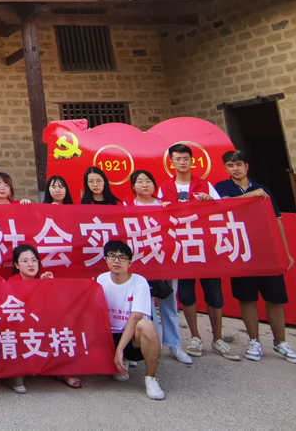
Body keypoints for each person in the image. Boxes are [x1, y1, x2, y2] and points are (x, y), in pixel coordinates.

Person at [215, 150, 296, 364]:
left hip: (266, 250)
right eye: (230, 166)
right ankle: (254, 341)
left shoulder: (263, 189)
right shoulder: (222, 187)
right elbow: (225, 205)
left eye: (238, 164)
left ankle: (280, 342)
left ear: (246, 166)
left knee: (275, 298)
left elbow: (277, 220)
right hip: (240, 249)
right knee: (247, 297)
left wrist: (285, 252)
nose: (235, 169)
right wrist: (252, 196)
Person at [156, 144, 234, 361]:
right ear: (171, 162)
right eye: (177, 159)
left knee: (214, 293)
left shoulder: (206, 185)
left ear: (192, 161)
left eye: (185, 158)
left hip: (206, 247)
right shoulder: (164, 188)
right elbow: (157, 217)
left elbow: (222, 210)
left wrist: (211, 202)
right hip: (180, 249)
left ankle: (218, 339)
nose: (182, 162)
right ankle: (195, 337)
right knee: (186, 293)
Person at [126, 170, 193, 366]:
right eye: (140, 181)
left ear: (154, 185)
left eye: (148, 181)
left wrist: (170, 211)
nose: (144, 185)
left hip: (165, 262)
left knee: (169, 304)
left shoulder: (165, 205)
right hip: (141, 263)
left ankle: (174, 345)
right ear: (133, 186)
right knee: (145, 308)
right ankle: (149, 346)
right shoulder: (127, 207)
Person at [97, 240, 166, 401]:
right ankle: (121, 361)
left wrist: (120, 349)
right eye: (112, 256)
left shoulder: (139, 282)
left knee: (146, 325)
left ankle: (151, 378)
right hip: (109, 336)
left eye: (122, 257)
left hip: (131, 337)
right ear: (106, 259)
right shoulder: (101, 280)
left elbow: (135, 317)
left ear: (130, 262)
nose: (116, 261)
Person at [9, 245, 82, 392]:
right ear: (17, 265)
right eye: (25, 261)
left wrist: (49, 286)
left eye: (34, 260)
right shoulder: (11, 283)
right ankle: (17, 374)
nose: (31, 264)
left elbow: (55, 309)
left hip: (42, 325)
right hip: (21, 327)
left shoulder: (42, 280)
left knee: (64, 325)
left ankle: (62, 371)